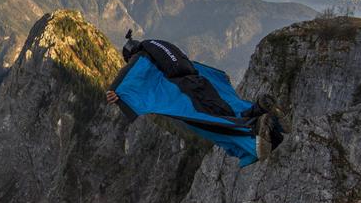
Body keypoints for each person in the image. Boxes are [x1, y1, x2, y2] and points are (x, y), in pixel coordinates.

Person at [106, 30, 288, 165]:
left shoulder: (143, 55)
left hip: (188, 91)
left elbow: (132, 74)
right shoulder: (160, 46)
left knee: (209, 123)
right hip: (201, 81)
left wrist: (117, 92)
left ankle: (253, 143)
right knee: (227, 108)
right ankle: (262, 115)